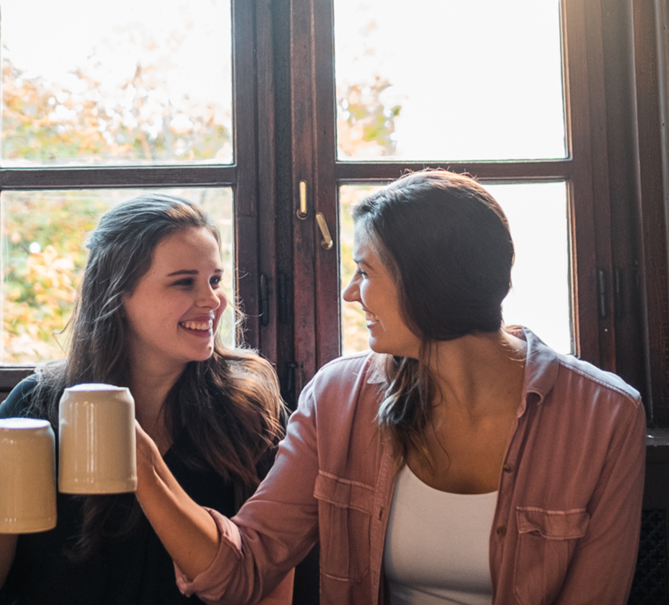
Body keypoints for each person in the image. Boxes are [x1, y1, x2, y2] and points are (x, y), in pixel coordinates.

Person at [134, 170, 647, 604]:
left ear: (429, 282)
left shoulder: (604, 415)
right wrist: (146, 467)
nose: (350, 293)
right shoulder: (339, 396)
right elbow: (243, 570)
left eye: (364, 271)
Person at [0, 194, 292, 605]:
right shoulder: (34, 408)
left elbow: (269, 587)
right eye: (184, 282)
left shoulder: (245, 407)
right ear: (118, 293)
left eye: (215, 279)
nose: (213, 301)